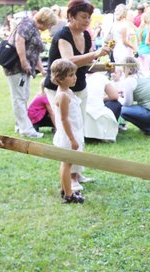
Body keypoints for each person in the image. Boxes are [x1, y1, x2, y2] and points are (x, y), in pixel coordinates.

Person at [44, 0, 112, 191]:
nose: (87, 20)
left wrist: (104, 65)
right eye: (83, 17)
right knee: (68, 130)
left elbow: (85, 67)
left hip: (79, 87)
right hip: (60, 89)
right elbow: (69, 62)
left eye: (89, 17)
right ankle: (70, 178)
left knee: (79, 128)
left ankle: (77, 172)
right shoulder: (62, 35)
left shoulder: (87, 35)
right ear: (71, 16)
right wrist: (95, 54)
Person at [4, 7, 57, 139]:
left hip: (26, 69)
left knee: (24, 96)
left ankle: (20, 125)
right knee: (19, 98)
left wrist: (42, 69)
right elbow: (19, 40)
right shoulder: (27, 24)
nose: (50, 27)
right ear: (45, 20)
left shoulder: (34, 28)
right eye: (50, 24)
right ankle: (26, 129)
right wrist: (23, 62)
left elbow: (35, 52)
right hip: (16, 67)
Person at [51, 59, 85, 204]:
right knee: (67, 164)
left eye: (74, 74)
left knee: (67, 163)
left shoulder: (68, 91)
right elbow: (64, 119)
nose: (74, 77)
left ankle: (66, 189)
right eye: (70, 75)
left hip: (75, 132)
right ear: (59, 78)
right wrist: (72, 139)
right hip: (68, 136)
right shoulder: (63, 96)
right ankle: (68, 194)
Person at [84, 71, 121, 142]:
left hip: (82, 113)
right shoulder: (101, 77)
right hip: (93, 112)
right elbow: (114, 96)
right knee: (115, 104)